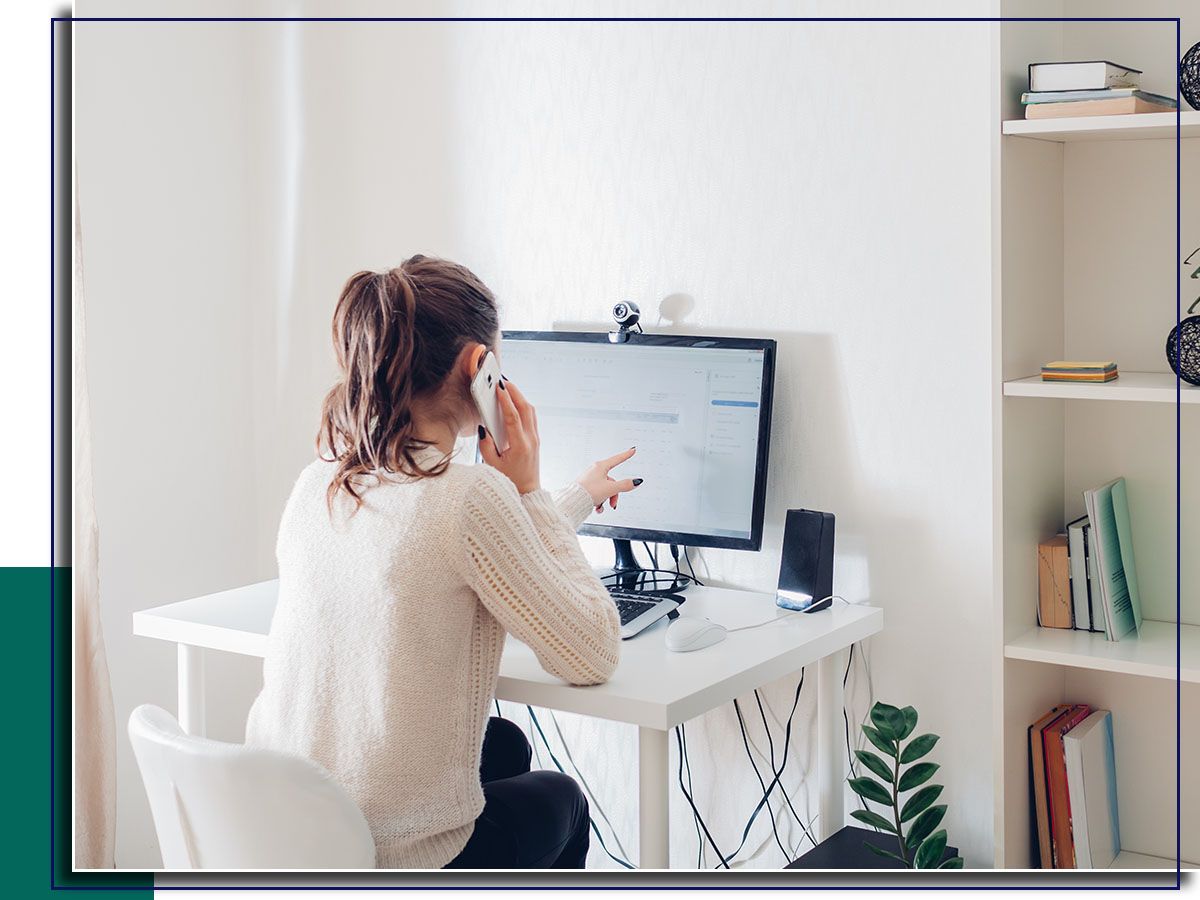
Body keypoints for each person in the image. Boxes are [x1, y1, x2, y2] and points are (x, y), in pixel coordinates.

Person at [244, 255, 639, 869]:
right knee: (562, 800)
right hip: (392, 857)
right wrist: (527, 491)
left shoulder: (321, 481)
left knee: (502, 745)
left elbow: (484, 555)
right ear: (479, 365)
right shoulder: (470, 497)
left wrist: (577, 497)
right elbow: (592, 653)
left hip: (294, 832)